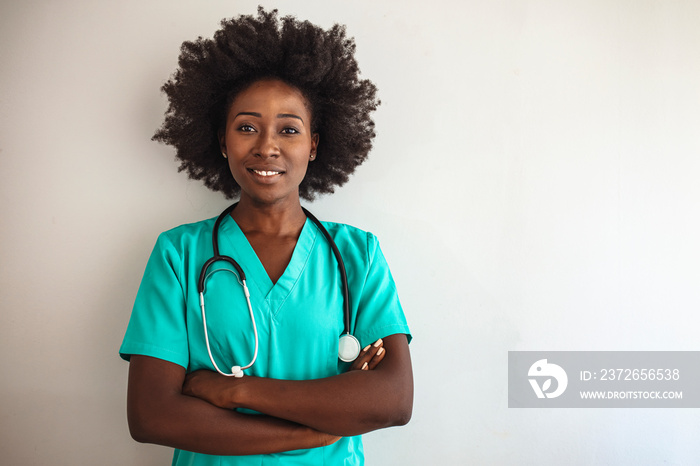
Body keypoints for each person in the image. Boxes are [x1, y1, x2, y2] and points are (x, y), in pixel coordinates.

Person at [119, 7, 413, 465]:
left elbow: (392, 400)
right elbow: (152, 415)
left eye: (289, 129)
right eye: (247, 127)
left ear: (314, 144)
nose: (266, 146)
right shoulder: (179, 254)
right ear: (222, 141)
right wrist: (310, 433)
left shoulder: (358, 255)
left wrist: (232, 389)